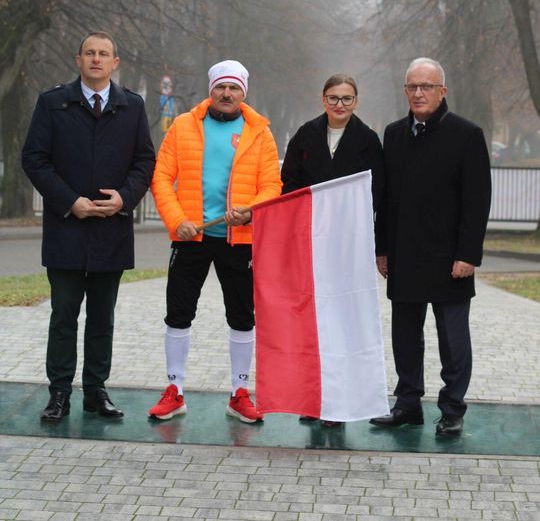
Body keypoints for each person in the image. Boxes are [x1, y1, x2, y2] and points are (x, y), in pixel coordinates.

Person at [22, 31, 156, 422]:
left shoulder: (132, 106)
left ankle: (95, 391)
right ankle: (59, 392)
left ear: (115, 63)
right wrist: (69, 202)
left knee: (102, 317)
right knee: (63, 314)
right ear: (78, 60)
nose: (96, 59)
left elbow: (145, 163)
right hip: (66, 228)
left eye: (104, 54)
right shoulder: (53, 103)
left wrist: (124, 198)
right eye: (89, 53)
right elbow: (35, 159)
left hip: (111, 230)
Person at [149, 60, 281, 423]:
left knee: (242, 317)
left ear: (244, 93)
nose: (227, 94)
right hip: (191, 236)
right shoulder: (183, 126)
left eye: (234, 88)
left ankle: (240, 392)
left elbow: (272, 185)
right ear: (211, 90)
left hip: (239, 239)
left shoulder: (260, 132)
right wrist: (178, 221)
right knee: (178, 313)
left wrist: (251, 210)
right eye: (221, 87)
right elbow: (161, 177)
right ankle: (174, 390)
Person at [370, 57, 491, 436]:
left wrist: (468, 254)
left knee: (453, 340)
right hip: (404, 256)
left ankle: (452, 408)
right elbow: (386, 199)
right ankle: (408, 405)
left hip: (450, 259)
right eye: (412, 87)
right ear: (405, 91)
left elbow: (477, 199)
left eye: (426, 86)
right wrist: (382, 248)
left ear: (443, 91)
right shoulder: (392, 134)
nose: (418, 93)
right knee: (405, 337)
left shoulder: (467, 134)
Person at [281, 73, 385, 427]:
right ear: (323, 99)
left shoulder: (368, 139)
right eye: (333, 98)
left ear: (356, 102)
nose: (339, 105)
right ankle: (312, 399)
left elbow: (378, 192)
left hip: (349, 246)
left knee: (343, 323)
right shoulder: (306, 134)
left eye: (347, 99)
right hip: (310, 242)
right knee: (313, 322)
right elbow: (289, 183)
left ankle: (339, 402)